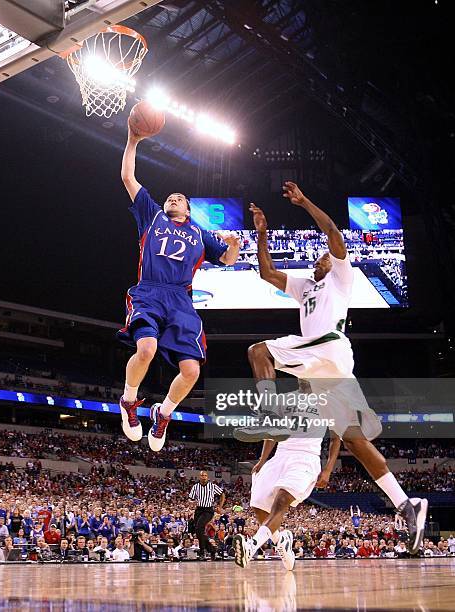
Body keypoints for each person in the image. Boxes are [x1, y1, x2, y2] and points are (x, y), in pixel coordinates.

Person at [239, 184, 427, 555]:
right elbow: (266, 273)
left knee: (258, 351)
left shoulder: (342, 278)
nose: (320, 260)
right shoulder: (305, 286)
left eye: (324, 257)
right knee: (355, 441)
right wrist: (261, 232)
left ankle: (270, 411)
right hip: (321, 367)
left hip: (329, 346)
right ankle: (408, 504)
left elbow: (334, 234)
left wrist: (305, 201)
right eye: (320, 258)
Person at [118, 123, 240, 451]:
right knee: (146, 349)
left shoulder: (200, 234)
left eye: (180, 198)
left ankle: (164, 413)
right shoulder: (152, 215)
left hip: (181, 301)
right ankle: (129, 402)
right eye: (171, 196)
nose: (173, 198)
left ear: (187, 209)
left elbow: (227, 260)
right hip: (151, 290)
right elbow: (128, 178)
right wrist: (133, 139)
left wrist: (234, 243)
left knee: (191, 371)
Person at [233, 411, 341, 570]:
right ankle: (282, 543)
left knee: (282, 501)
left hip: (306, 458)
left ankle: (251, 546)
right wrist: (262, 460)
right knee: (259, 505)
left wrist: (328, 470)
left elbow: (335, 438)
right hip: (280, 456)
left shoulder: (328, 402)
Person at [188, 471, 225, 561]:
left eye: (205, 475)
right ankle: (212, 550)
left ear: (207, 477)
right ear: (199, 477)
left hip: (208, 510)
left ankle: (202, 551)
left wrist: (220, 506)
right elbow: (190, 499)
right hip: (199, 510)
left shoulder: (212, 486)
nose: (204, 477)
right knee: (198, 531)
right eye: (202, 475)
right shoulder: (195, 487)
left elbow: (222, 494)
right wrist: (192, 502)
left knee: (199, 527)